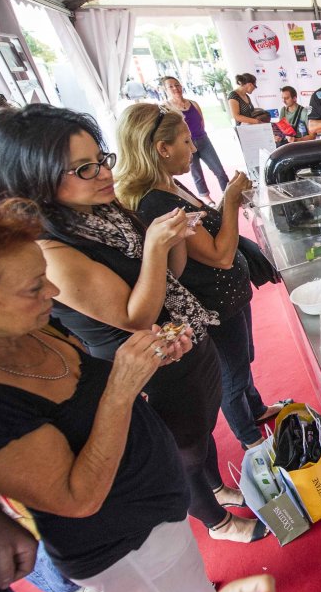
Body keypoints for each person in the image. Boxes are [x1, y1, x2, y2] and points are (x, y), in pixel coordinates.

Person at [0, 105, 267, 544]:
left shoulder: (107, 211)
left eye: (101, 159)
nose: (103, 173)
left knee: (202, 428)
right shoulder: (54, 249)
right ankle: (216, 522)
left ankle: (214, 486)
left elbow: (167, 278)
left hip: (183, 339)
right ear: (38, 179)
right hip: (151, 366)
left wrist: (169, 241)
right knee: (184, 451)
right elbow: (134, 315)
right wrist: (156, 247)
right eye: (84, 168)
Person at [0, 197, 217, 592]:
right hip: (126, 546)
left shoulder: (28, 330)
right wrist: (122, 386)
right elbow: (77, 497)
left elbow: (84, 403)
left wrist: (148, 361)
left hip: (156, 515)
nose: (54, 290)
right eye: (34, 287)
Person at [114, 102, 292, 449]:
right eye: (185, 141)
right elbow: (220, 256)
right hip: (215, 306)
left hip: (231, 296)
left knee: (244, 361)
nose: (194, 148)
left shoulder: (171, 186)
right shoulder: (156, 203)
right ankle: (251, 439)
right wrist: (228, 201)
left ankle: (255, 411)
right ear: (161, 149)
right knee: (233, 377)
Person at [162, 76, 229, 207]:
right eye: (171, 86)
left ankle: (228, 193)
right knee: (196, 172)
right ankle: (208, 199)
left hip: (203, 140)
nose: (175, 88)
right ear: (165, 90)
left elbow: (201, 121)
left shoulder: (193, 103)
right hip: (185, 144)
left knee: (218, 169)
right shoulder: (166, 107)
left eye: (177, 85)